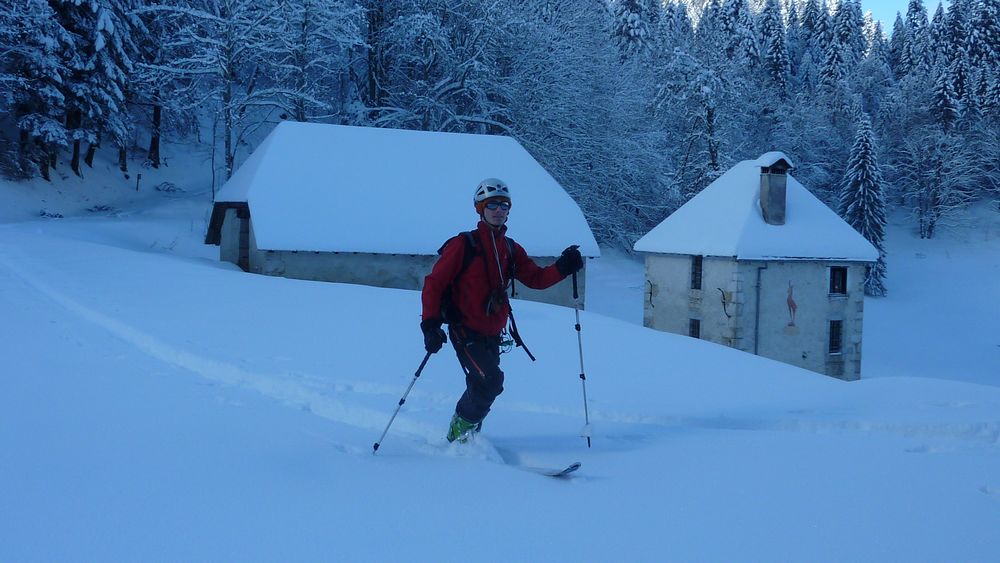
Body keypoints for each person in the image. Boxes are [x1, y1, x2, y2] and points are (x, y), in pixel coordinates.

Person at [420, 178, 584, 443]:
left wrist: (563, 267)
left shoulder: (510, 248)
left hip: (493, 332)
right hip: (465, 330)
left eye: (504, 205)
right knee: (491, 381)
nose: (499, 210)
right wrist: (430, 324)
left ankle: (468, 432)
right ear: (480, 209)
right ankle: (458, 435)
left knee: (482, 383)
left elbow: (536, 279)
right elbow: (434, 283)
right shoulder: (464, 245)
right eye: (492, 204)